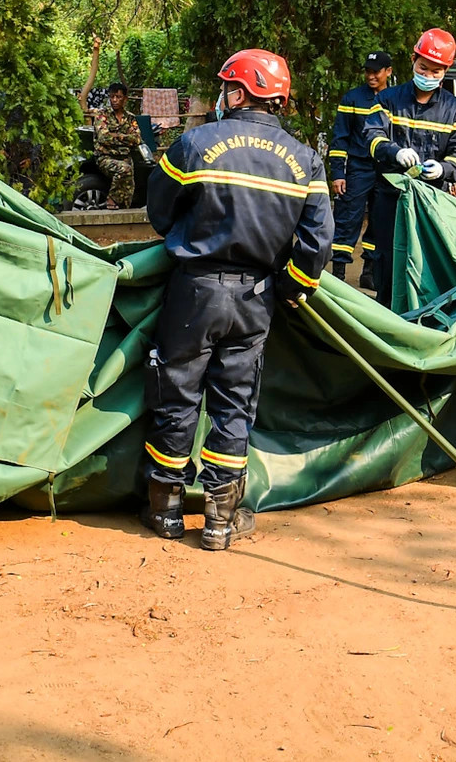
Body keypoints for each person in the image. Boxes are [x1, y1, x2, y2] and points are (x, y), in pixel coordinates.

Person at [140, 49, 333, 550]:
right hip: (257, 298)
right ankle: (221, 521)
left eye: (226, 87)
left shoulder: (195, 143)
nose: (223, 95)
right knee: (235, 403)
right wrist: (292, 290)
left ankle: (166, 512)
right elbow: (318, 241)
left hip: (195, 291)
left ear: (240, 93)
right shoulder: (305, 160)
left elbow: (159, 209)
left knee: (177, 392)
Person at [359, 29, 456, 296]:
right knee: (388, 263)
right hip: (391, 198)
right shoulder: (388, 100)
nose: (428, 76)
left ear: (446, 71)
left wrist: (444, 169)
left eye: (436, 71)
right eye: (423, 68)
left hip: (432, 202)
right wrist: (394, 152)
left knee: (426, 265)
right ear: (413, 60)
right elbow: (372, 136)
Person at [328, 51, 393, 286]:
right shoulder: (352, 98)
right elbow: (340, 138)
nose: (371, 76)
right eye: (368, 71)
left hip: (386, 170)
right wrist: (338, 173)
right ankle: (339, 274)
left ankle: (369, 272)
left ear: (388, 72)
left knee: (380, 221)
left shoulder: (397, 99)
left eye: (376, 71)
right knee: (347, 220)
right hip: (358, 168)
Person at [94, 83, 143, 209]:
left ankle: (122, 211)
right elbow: (104, 138)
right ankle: (111, 200)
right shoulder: (102, 115)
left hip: (125, 157)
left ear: (125, 99)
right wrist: (125, 137)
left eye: (118, 97)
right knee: (124, 169)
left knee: (129, 189)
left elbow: (137, 139)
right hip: (105, 157)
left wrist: (116, 136)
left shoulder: (130, 117)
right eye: (112, 97)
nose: (114, 100)